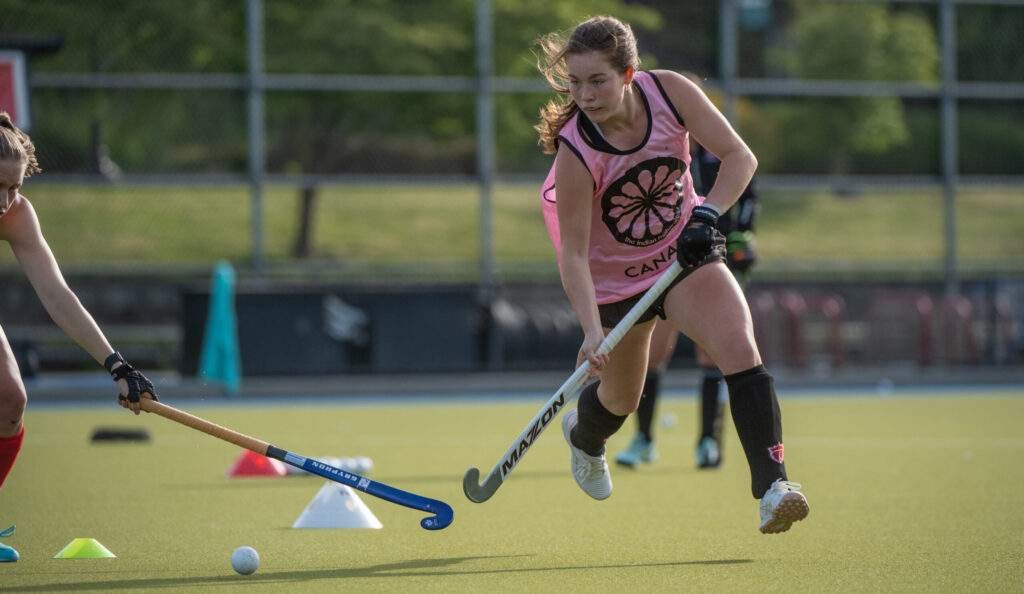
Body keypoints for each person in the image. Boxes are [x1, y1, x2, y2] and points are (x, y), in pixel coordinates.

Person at [536, 16, 808, 534]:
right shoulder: (576, 151)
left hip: (684, 256)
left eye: (598, 81)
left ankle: (774, 487)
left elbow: (738, 157)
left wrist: (708, 215)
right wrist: (593, 331)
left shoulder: (671, 93)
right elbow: (572, 254)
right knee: (620, 400)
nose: (586, 95)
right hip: (615, 283)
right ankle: (585, 437)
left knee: (739, 349)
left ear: (629, 74)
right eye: (575, 83)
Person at [0, 112, 158, 561]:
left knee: (10, 401)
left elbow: (56, 294)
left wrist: (117, 365)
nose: (5, 200)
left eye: (14, 187)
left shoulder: (15, 214)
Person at [615, 100, 761, 471]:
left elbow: (747, 199)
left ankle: (708, 442)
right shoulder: (658, 152)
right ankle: (644, 439)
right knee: (654, 352)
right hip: (665, 267)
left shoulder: (721, 154)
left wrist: (744, 238)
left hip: (711, 262)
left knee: (710, 356)